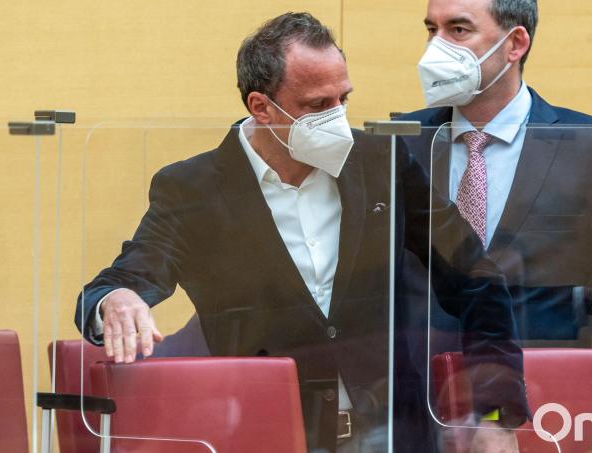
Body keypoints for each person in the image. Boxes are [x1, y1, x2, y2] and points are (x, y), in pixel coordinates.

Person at [75, 12, 528, 453]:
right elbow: (124, 279)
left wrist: (495, 417)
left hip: (389, 435)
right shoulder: (194, 188)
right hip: (262, 433)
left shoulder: (382, 164)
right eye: (317, 106)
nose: (336, 118)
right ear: (261, 107)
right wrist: (115, 301)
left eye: (343, 100)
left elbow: (478, 282)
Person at [399, 0, 592, 410]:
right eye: (431, 30)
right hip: (419, 406)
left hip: (545, 406)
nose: (436, 47)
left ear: (515, 43)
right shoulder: (403, 142)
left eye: (458, 30)